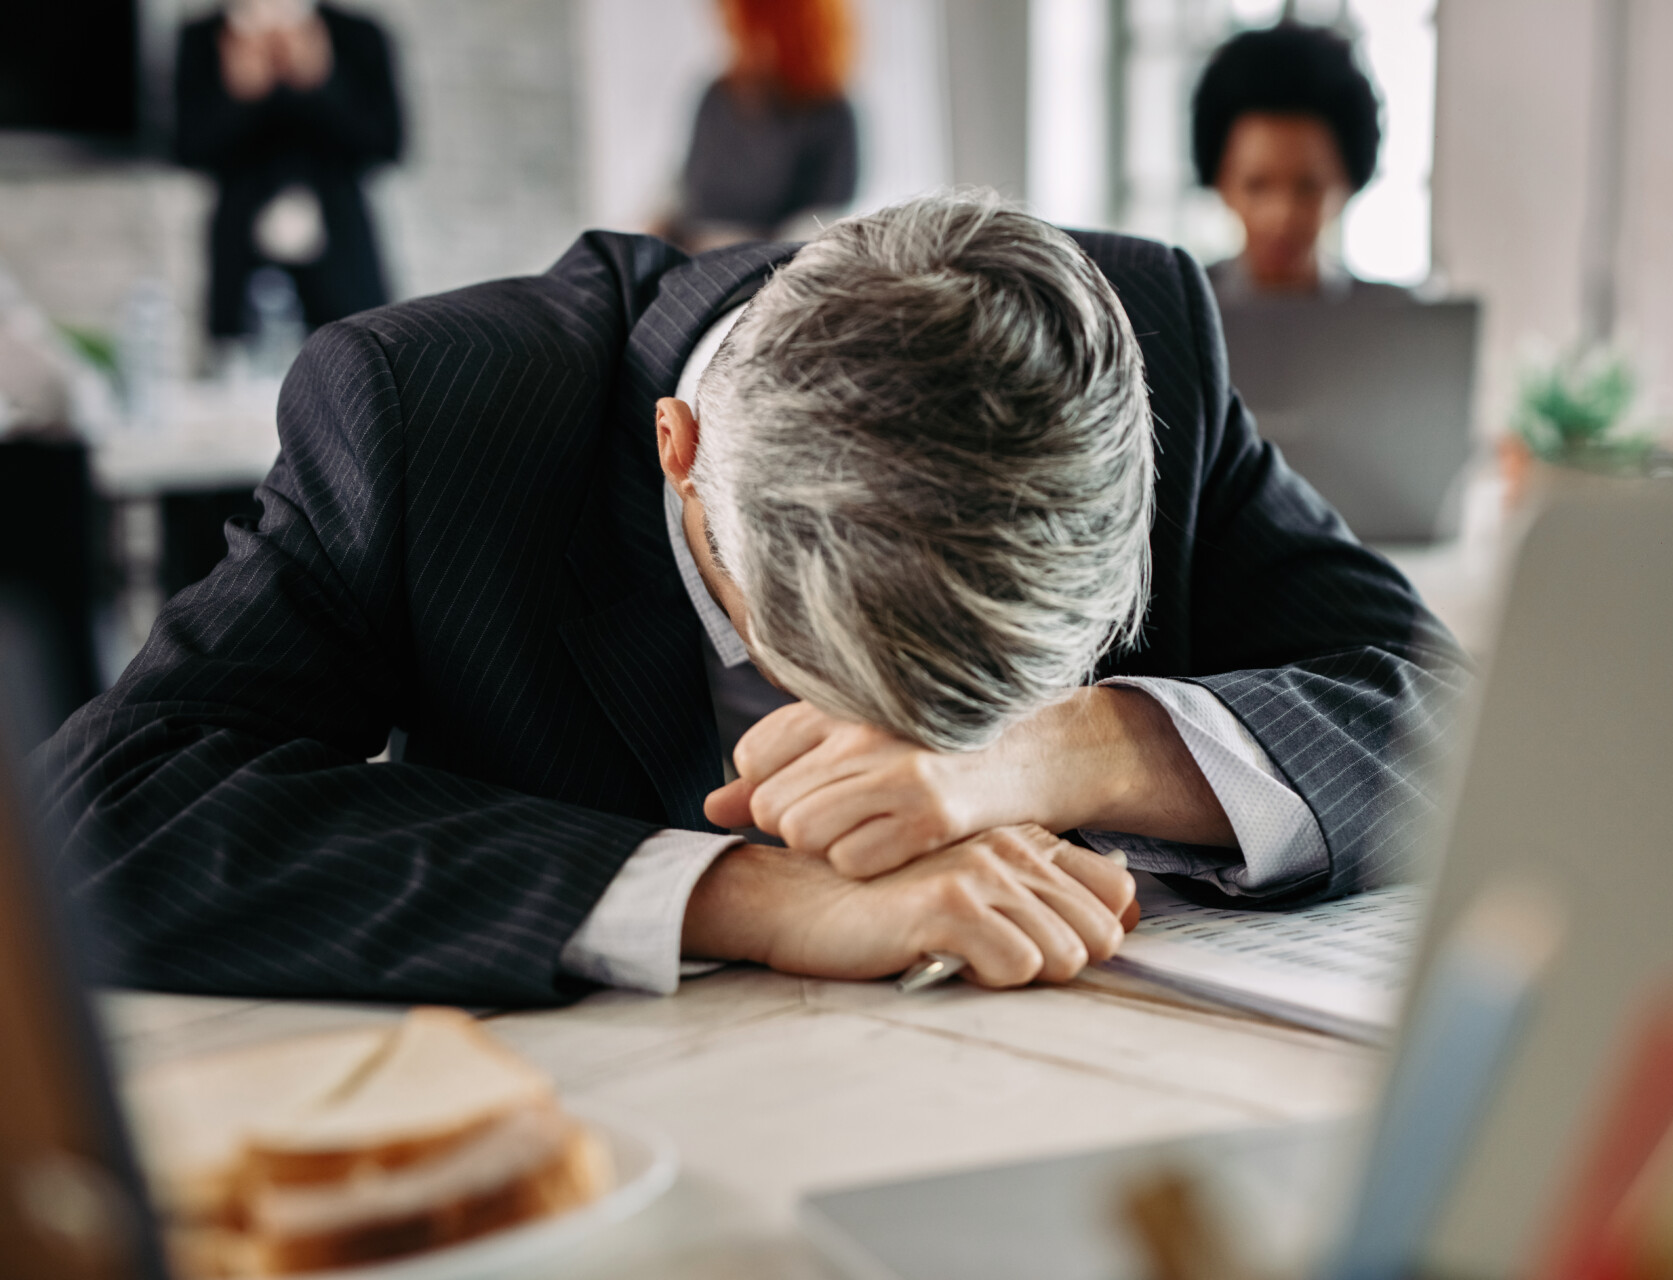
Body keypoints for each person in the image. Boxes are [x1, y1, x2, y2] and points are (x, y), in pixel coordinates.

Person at [34, 193, 1467, 1006]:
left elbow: (1462, 721)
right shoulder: (433, 417)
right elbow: (91, 821)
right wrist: (745, 895)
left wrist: (1043, 755)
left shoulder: (1137, 342)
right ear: (682, 454)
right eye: (822, 672)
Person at [175, 0, 402, 342]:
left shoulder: (355, 34)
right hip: (240, 257)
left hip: (342, 255)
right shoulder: (205, 37)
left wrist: (319, 83)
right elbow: (187, 149)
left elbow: (386, 143)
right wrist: (244, 96)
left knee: (356, 368)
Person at [1193, 22, 1399, 303]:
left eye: (1308, 186)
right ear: (1220, 181)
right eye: (1257, 186)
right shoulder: (1178, 312)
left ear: (1348, 184)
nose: (1282, 216)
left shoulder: (1391, 316)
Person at [661, 0, 859, 251]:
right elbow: (684, 183)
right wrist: (655, 226)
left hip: (772, 267)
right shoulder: (716, 95)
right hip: (696, 254)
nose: (738, 40)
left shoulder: (830, 111)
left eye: (752, 29)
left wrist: (750, 253)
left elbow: (823, 216)